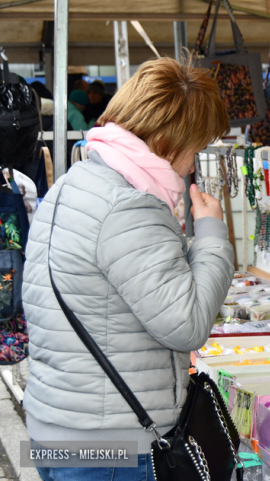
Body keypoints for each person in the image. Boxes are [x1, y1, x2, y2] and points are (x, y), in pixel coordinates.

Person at [22, 57, 233, 480]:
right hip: (109, 448)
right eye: (196, 147)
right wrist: (212, 233)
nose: (193, 163)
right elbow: (188, 324)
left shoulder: (76, 182)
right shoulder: (129, 206)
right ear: (170, 139)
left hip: (61, 431)